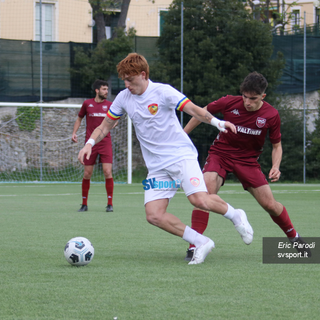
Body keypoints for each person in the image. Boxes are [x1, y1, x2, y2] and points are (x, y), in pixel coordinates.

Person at [78, 53, 253, 265]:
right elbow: (105, 125)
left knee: (199, 200)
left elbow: (193, 110)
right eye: (123, 80)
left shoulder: (163, 92)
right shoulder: (124, 98)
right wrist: (89, 143)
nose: (126, 84)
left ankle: (236, 215)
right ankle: (201, 241)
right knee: (153, 215)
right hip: (158, 168)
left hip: (181, 157)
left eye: (130, 79)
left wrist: (217, 123)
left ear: (143, 75)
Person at [183, 71, 311, 261]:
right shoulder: (229, 102)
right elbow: (201, 113)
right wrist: (182, 135)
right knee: (204, 196)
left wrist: (276, 165)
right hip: (221, 154)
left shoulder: (271, 115)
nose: (247, 102)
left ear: (263, 96)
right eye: (245, 97)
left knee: (270, 205)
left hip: (248, 161)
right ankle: (194, 245)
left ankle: (294, 238)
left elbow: (277, 146)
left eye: (253, 98)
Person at [72, 79, 115, 213]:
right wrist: (74, 133)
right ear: (97, 90)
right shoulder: (87, 104)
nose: (106, 92)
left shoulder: (110, 105)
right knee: (87, 174)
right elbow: (79, 118)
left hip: (105, 142)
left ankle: (110, 204)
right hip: (90, 144)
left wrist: (112, 124)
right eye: (103, 89)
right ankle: (84, 204)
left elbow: (115, 120)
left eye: (107, 89)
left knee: (107, 172)